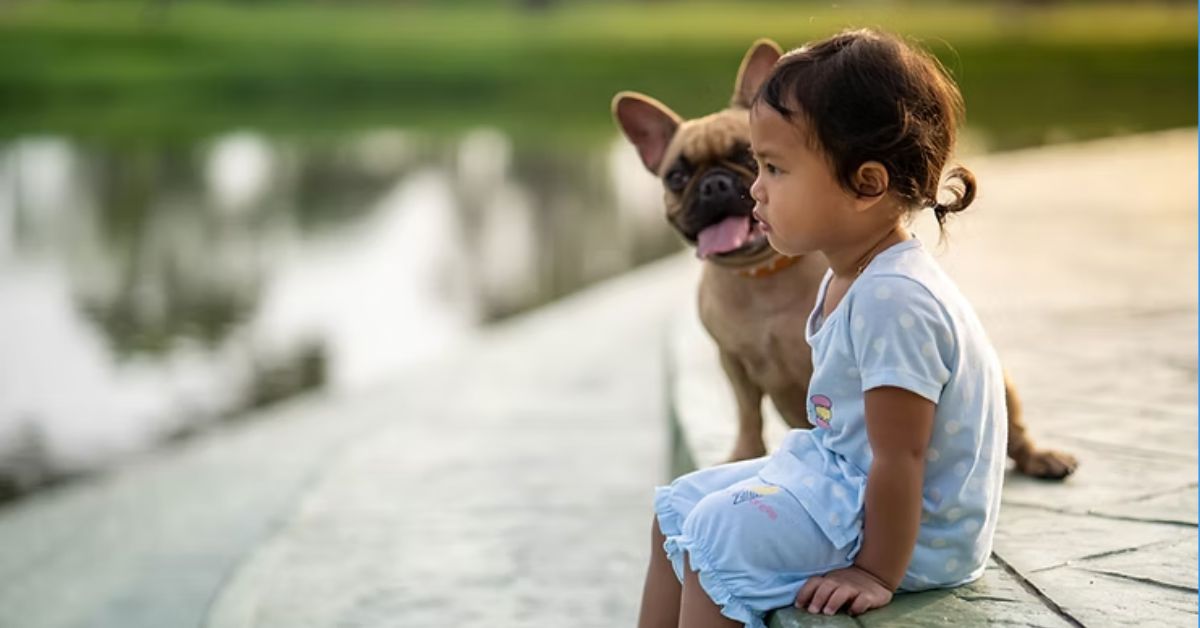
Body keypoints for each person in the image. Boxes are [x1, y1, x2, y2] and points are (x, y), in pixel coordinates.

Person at [637, 28, 1007, 628]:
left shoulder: (894, 300)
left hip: (914, 537)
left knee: (713, 531)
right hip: (843, 480)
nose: (754, 188)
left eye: (775, 169)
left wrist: (874, 571)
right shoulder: (851, 273)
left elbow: (901, 457)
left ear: (866, 185)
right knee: (678, 506)